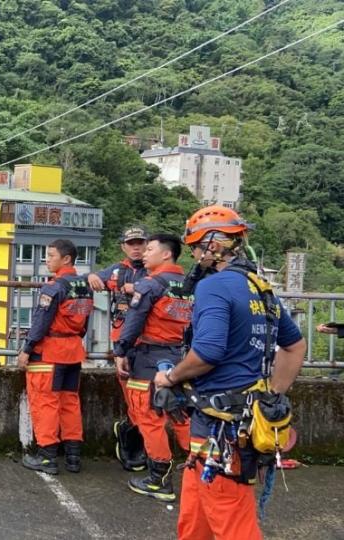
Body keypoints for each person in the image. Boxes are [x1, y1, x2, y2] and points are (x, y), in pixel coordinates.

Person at [153, 205, 306, 540]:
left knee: (232, 522)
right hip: (233, 423)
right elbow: (295, 347)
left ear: (212, 245)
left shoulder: (214, 287)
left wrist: (170, 376)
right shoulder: (260, 289)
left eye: (195, 246)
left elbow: (206, 353)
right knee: (195, 519)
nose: (194, 254)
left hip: (221, 428)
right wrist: (271, 397)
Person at [112, 233, 192, 500]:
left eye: (150, 249)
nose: (144, 253)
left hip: (147, 359)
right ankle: (203, 467)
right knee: (180, 415)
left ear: (166, 254)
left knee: (149, 418)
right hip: (181, 358)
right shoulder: (190, 285)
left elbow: (134, 321)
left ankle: (159, 478)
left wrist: (121, 350)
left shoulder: (150, 285)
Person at [17, 239, 93, 475]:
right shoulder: (84, 287)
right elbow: (85, 324)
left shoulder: (53, 287)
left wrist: (27, 348)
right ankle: (73, 456)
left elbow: (40, 322)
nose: (46, 260)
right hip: (73, 350)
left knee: (45, 403)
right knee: (70, 402)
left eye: (51, 256)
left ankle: (48, 457)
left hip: (50, 351)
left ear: (66, 259)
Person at [88, 226, 149, 471]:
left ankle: (135, 436)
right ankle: (133, 438)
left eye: (140, 242)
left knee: (148, 397)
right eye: (131, 243)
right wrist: (91, 276)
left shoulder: (155, 271)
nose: (136, 247)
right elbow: (91, 280)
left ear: (148, 245)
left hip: (150, 342)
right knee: (130, 393)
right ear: (123, 246)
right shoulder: (116, 271)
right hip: (123, 341)